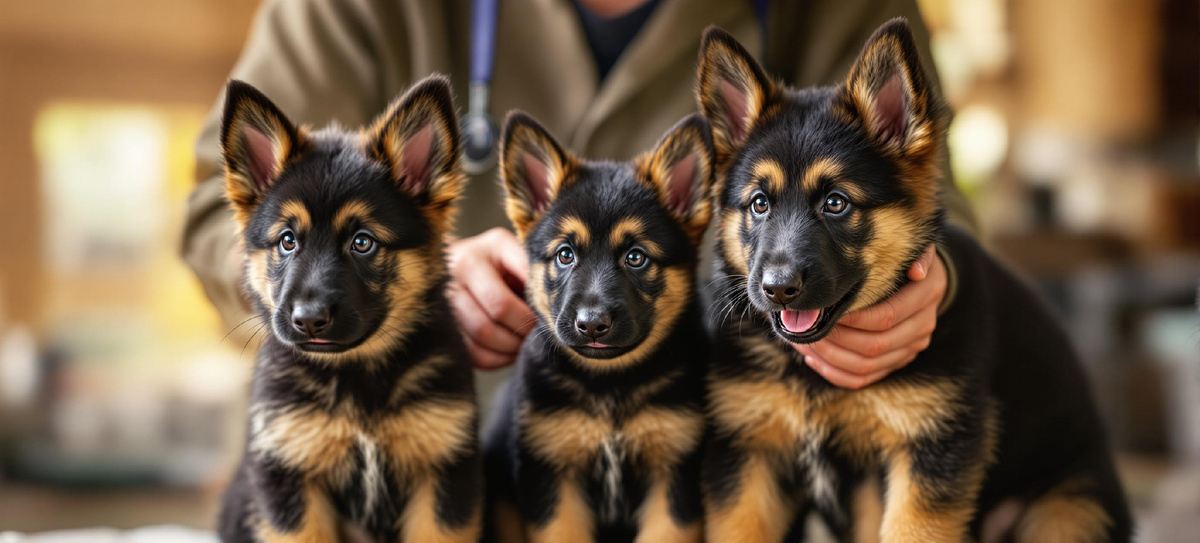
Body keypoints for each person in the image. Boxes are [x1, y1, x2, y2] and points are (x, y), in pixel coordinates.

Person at [184, 0, 974, 391]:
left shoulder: (842, 10)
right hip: (404, 507)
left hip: (726, 512)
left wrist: (926, 288)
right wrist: (398, 287)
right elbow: (216, 215)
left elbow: (942, 217)